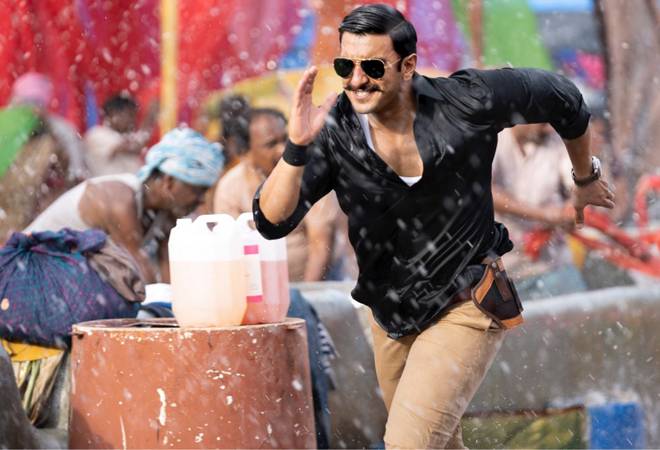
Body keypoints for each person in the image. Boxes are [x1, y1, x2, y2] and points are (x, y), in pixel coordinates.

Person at [252, 4, 615, 449]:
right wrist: (296, 147)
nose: (357, 80)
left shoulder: (467, 100)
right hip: (390, 317)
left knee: (408, 444)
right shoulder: (336, 132)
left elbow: (564, 97)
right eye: (346, 66)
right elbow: (271, 221)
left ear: (408, 66)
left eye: (372, 67)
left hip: (465, 299)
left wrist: (585, 178)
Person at [26, 127, 223, 283]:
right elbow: (139, 274)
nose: (201, 200)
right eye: (198, 191)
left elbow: (169, 274)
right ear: (169, 182)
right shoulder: (119, 200)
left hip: (56, 280)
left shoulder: (164, 212)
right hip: (25, 273)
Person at [214, 107, 340, 282]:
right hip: (255, 286)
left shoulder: (311, 176)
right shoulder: (230, 187)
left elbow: (320, 246)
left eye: (285, 139)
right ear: (246, 152)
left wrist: (305, 294)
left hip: (312, 284)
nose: (282, 149)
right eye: (271, 144)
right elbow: (232, 251)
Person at [0, 73, 86, 242]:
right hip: (26, 213)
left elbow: (75, 173)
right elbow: (77, 172)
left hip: (26, 212)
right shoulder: (59, 131)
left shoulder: (8, 123)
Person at [84, 94, 156, 177]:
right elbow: (133, 148)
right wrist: (150, 119)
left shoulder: (125, 136)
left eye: (134, 116)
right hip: (109, 184)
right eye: (129, 115)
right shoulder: (97, 134)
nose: (132, 121)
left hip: (130, 184)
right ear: (113, 113)